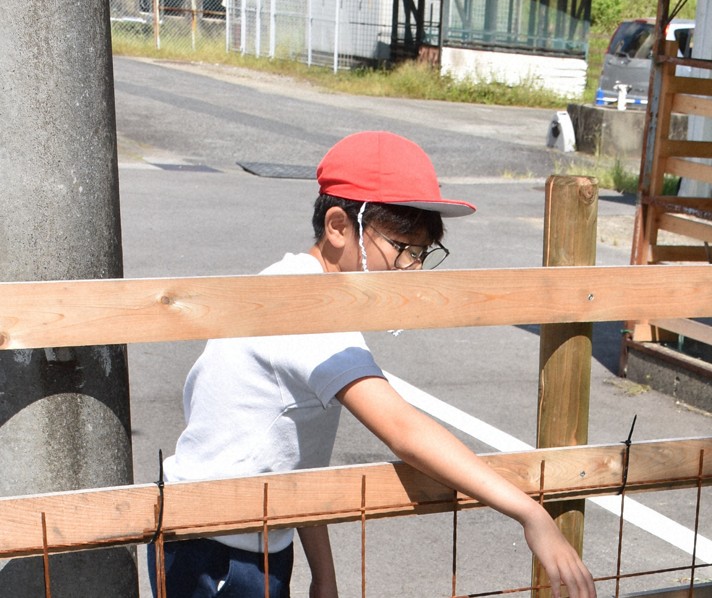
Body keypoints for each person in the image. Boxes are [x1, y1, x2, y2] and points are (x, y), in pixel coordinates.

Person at [152, 131, 595, 598]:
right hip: (213, 545)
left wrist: (323, 575)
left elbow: (296, 457)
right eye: (403, 249)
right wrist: (530, 513)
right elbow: (403, 430)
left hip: (247, 534)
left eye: (422, 253)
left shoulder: (300, 286)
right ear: (338, 226)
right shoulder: (305, 308)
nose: (413, 269)